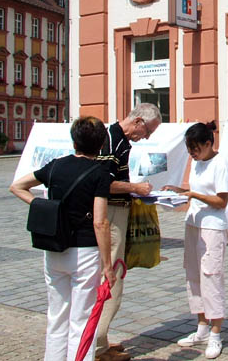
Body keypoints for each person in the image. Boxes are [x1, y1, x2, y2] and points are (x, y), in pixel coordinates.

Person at [9, 116, 115, 361]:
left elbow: (17, 186)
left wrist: (42, 206)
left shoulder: (56, 166)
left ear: (74, 141)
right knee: (82, 318)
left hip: (55, 247)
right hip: (85, 251)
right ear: (101, 145)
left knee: (57, 316)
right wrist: (108, 265)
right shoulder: (100, 172)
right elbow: (100, 222)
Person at [95, 103, 162, 361]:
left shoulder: (118, 139)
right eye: (148, 131)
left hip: (115, 212)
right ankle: (97, 348)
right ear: (138, 121)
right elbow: (103, 183)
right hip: (110, 214)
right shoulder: (112, 140)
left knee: (112, 274)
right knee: (112, 276)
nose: (146, 137)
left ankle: (101, 340)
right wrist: (135, 188)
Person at [163, 121, 228, 359]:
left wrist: (194, 195)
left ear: (208, 143)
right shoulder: (196, 163)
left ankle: (215, 333)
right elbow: (195, 192)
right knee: (193, 276)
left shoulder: (221, 164)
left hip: (212, 227)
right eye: (189, 149)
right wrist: (179, 192)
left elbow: (221, 201)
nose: (192, 153)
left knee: (211, 277)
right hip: (193, 224)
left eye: (196, 148)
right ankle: (202, 326)